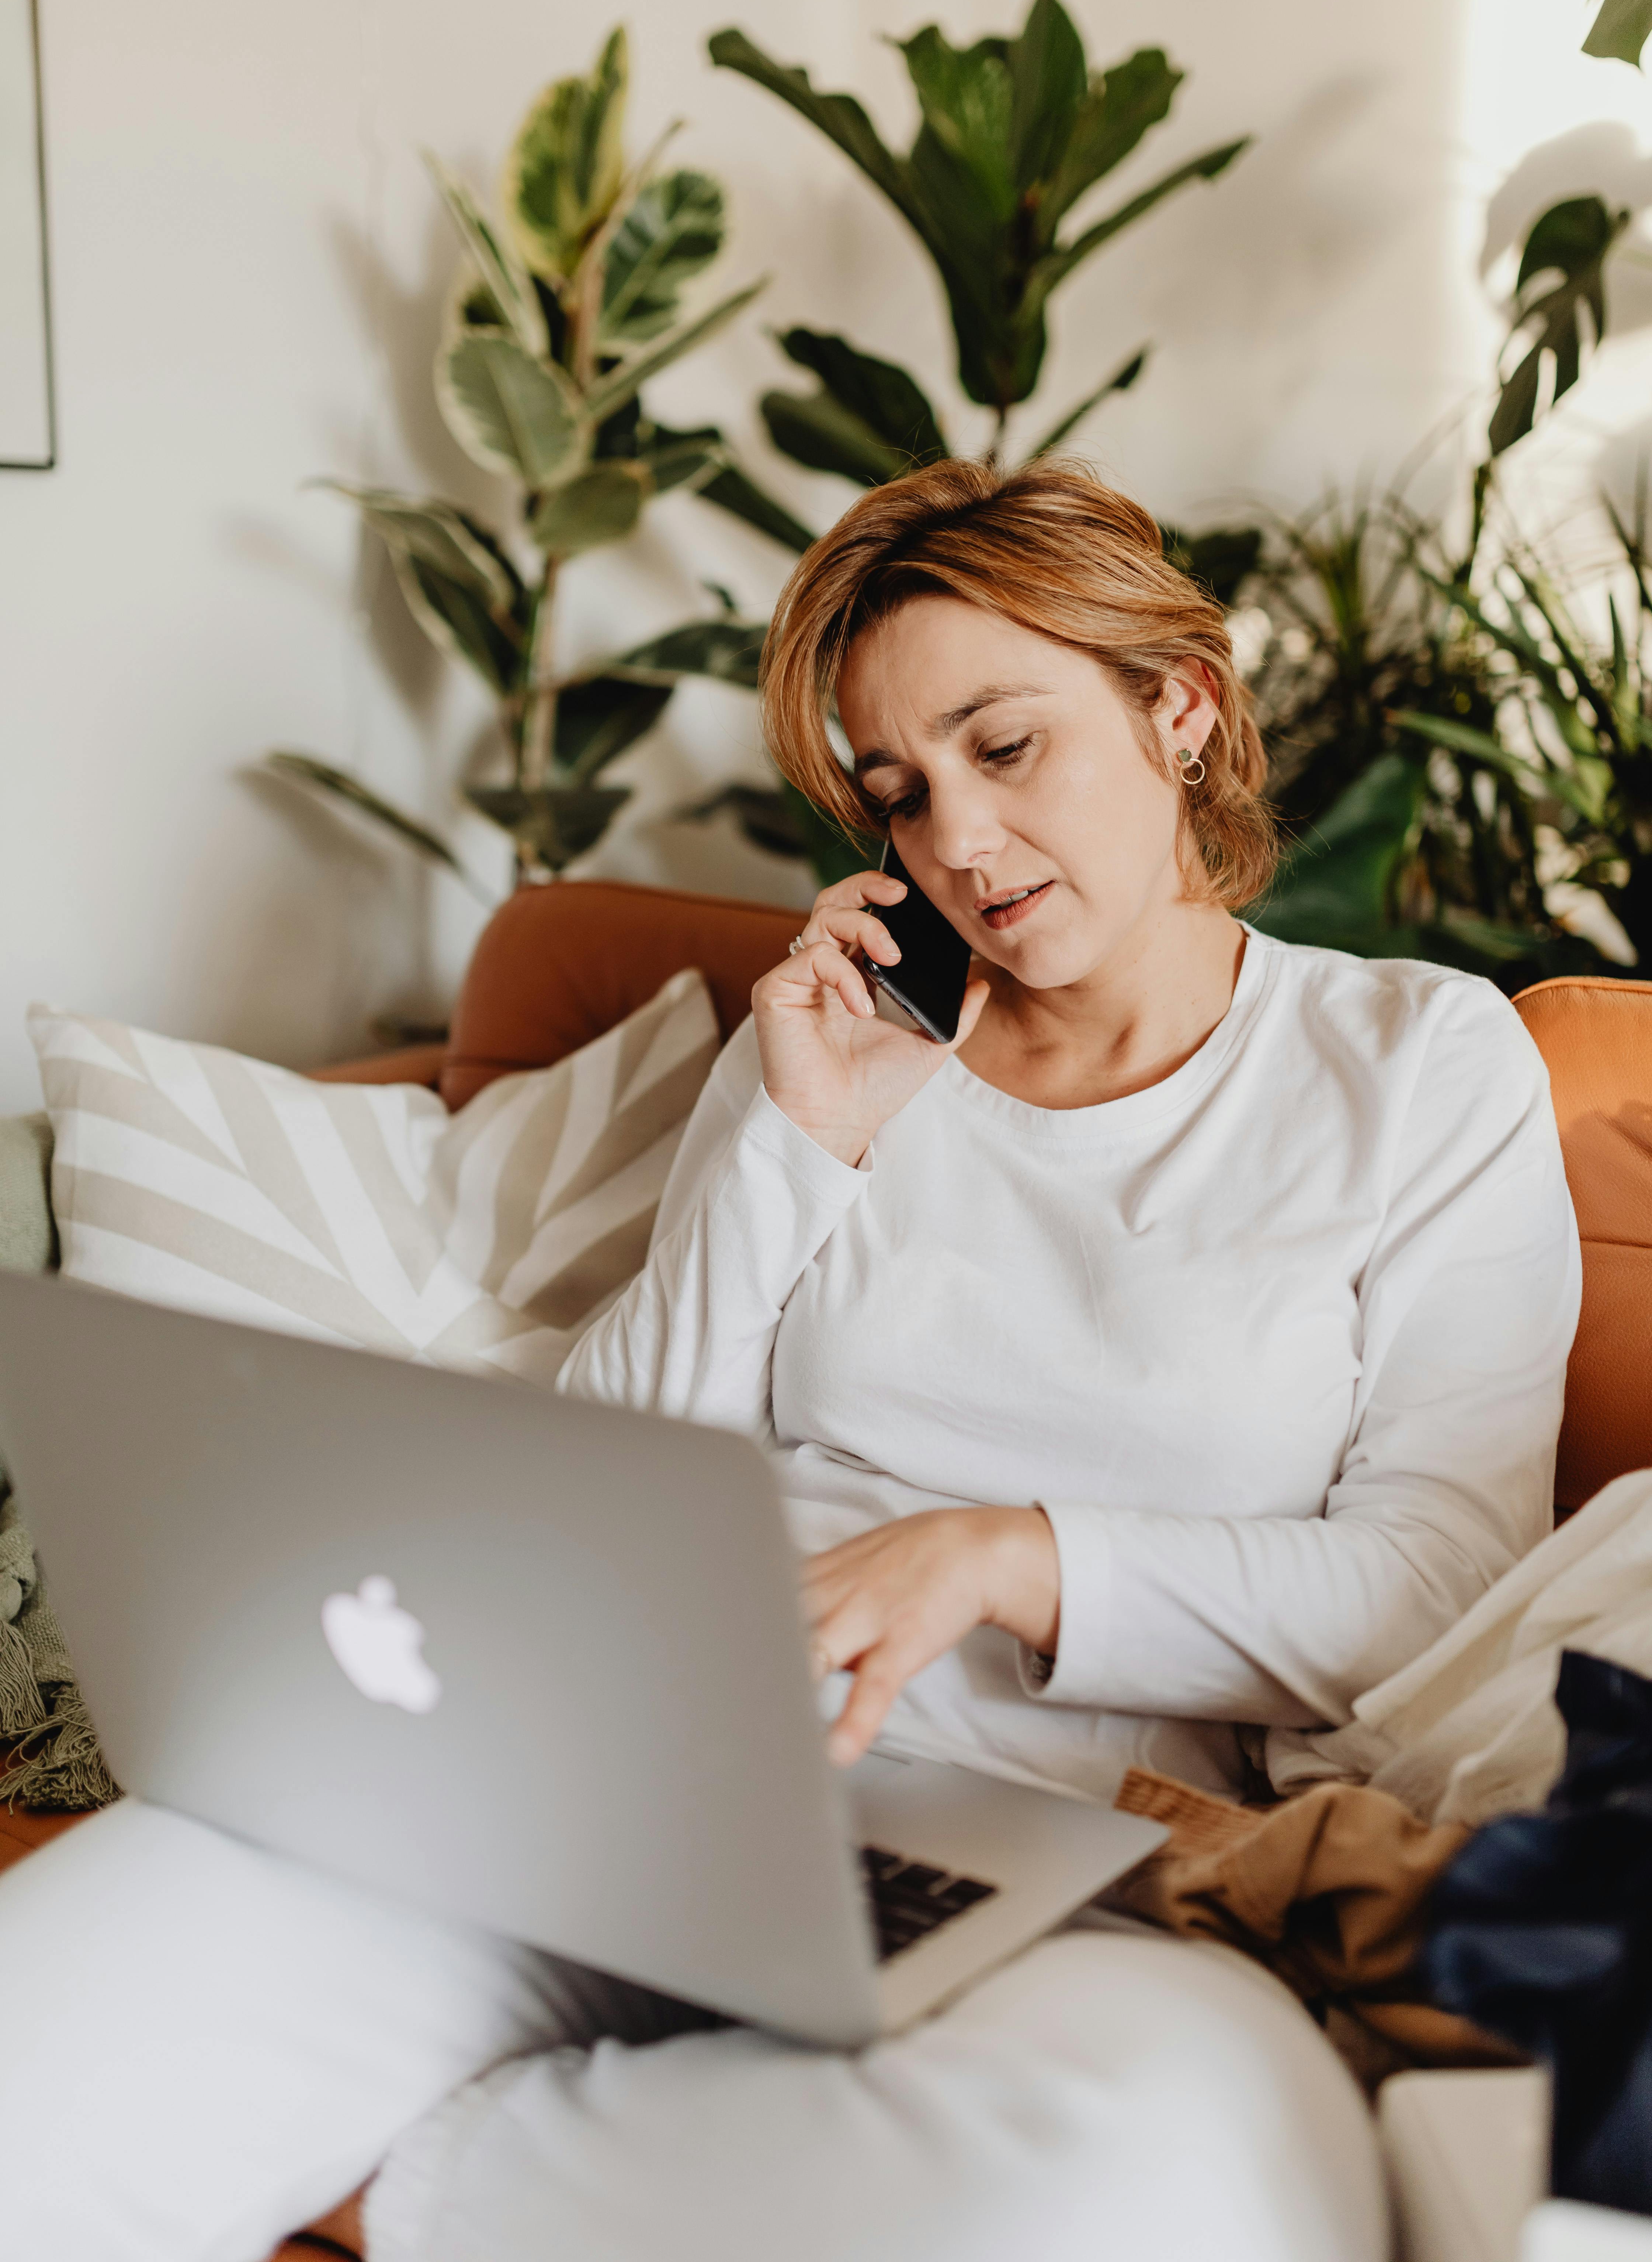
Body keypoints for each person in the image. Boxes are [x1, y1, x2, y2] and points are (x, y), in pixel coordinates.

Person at [4, 461, 1578, 2262]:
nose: (958, 849)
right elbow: (591, 1481)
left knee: (1188, 2181)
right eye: (901, 794)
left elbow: (1441, 1584)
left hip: (1051, 1865)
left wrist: (1004, 1555)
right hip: (622, 1758)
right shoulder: (834, 1046)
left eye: (1007, 747)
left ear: (1181, 709)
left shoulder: (1417, 1066)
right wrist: (792, 1136)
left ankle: (408, 2168)